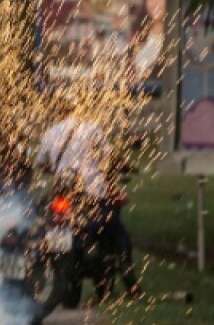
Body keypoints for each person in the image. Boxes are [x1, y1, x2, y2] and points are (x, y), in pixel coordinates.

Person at [36, 95, 140, 301]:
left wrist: (57, 168)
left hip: (63, 195)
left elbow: (42, 163)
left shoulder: (50, 133)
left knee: (52, 224)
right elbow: (110, 157)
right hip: (93, 193)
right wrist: (126, 166)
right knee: (118, 232)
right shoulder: (91, 128)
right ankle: (129, 277)